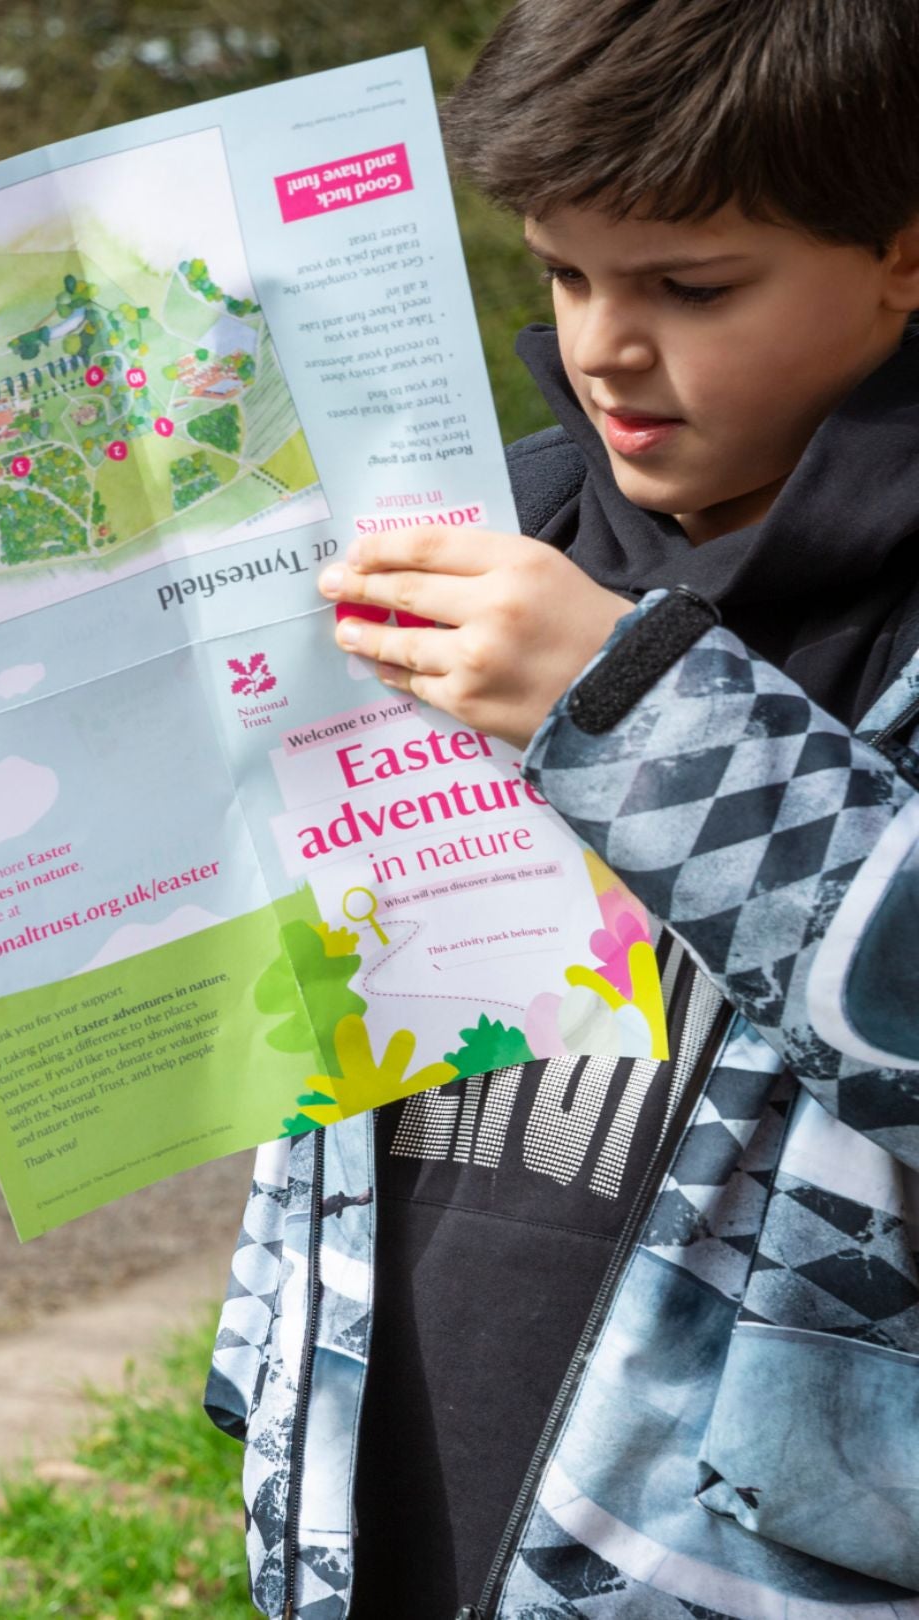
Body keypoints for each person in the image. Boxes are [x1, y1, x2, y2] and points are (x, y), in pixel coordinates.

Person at [204, 3, 919, 1615]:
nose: (603, 342)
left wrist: (630, 710)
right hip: (375, 1509)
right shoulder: (469, 530)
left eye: (691, 285)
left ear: (901, 253)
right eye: (566, 269)